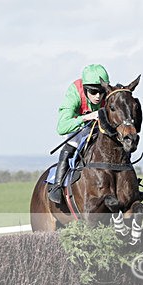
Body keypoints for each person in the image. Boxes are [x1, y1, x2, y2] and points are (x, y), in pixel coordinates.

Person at [48, 64, 110, 204]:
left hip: (99, 127)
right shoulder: (74, 93)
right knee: (73, 143)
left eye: (101, 92)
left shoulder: (107, 93)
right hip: (78, 127)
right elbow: (62, 127)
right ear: (85, 88)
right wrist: (86, 117)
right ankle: (57, 186)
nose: (98, 96)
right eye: (93, 92)